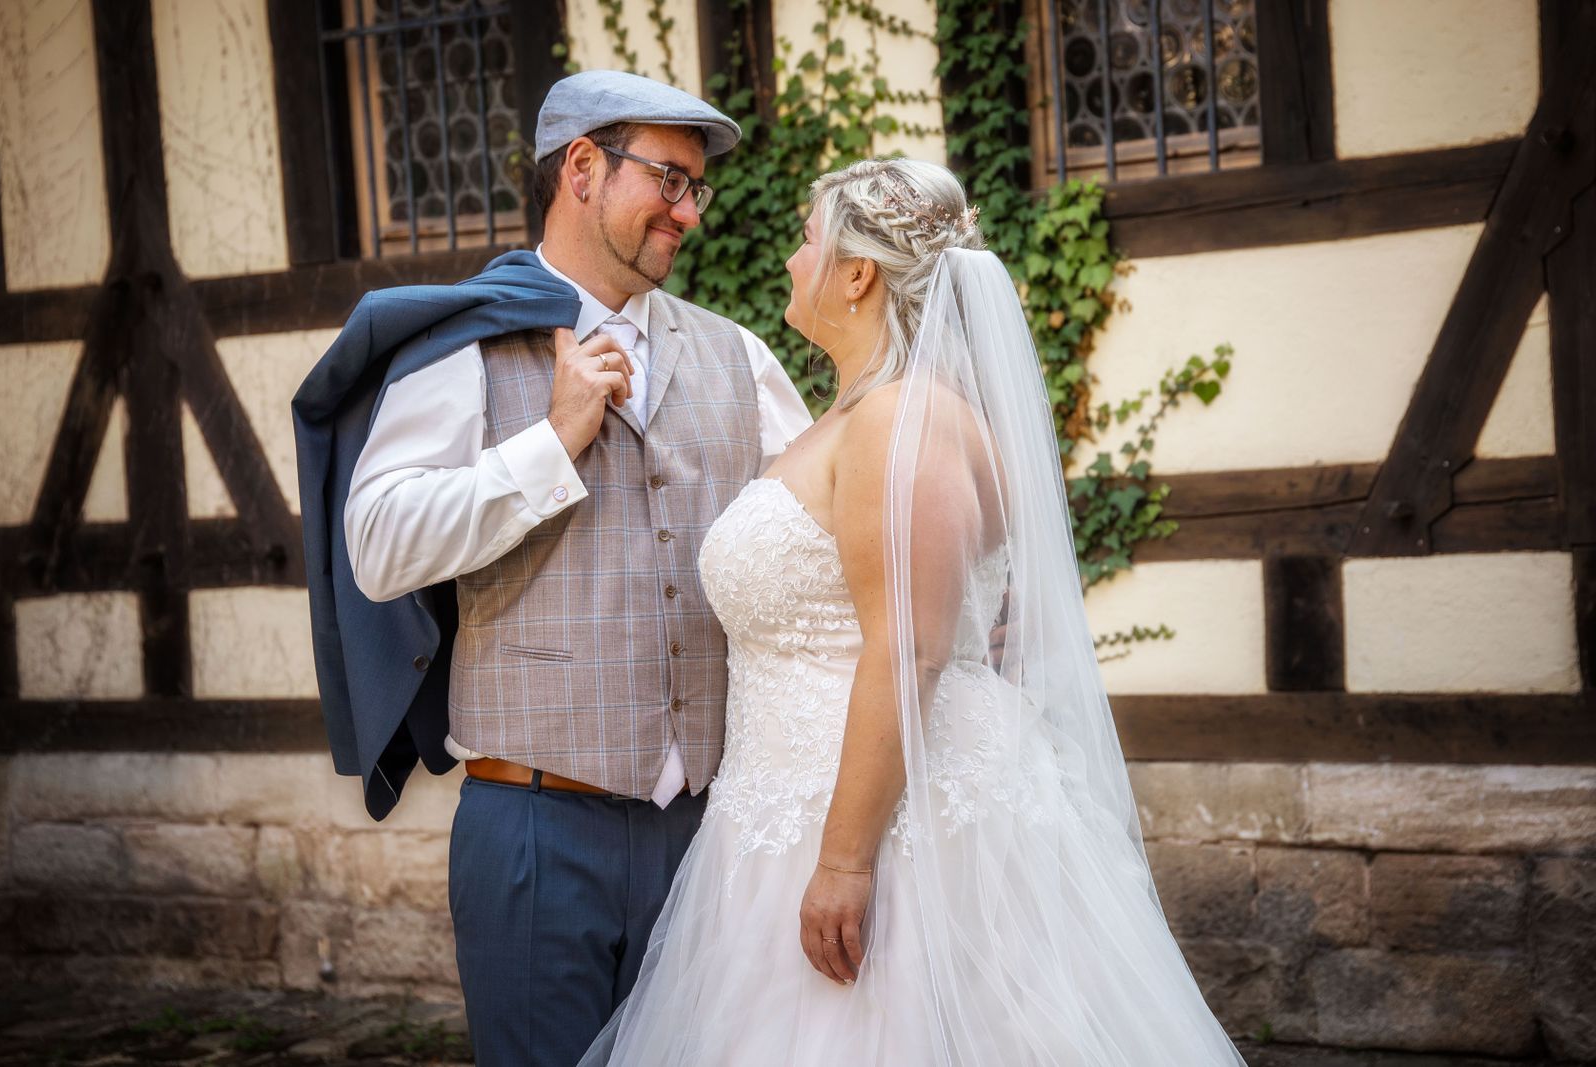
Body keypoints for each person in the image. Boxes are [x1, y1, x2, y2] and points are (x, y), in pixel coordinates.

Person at [579, 158, 1249, 1065]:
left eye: (807, 239)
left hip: (886, 825)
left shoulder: (904, 420)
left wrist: (846, 861)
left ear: (857, 274)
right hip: (788, 808)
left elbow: (910, 647)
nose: (788, 259)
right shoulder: (858, 415)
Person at [332, 71, 811, 1066]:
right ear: (583, 168)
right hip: (537, 834)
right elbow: (377, 543)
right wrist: (550, 444)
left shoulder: (741, 359)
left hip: (710, 838)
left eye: (697, 189)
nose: (688, 211)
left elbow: (812, 546)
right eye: (670, 180)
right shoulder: (460, 343)